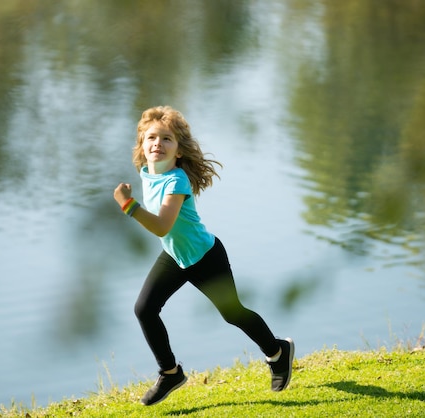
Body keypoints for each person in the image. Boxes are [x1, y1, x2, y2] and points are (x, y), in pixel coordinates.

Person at [113, 106, 294, 406]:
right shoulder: (148, 173)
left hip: (205, 256)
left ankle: (277, 352)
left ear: (179, 151)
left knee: (232, 313)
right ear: (142, 146)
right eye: (151, 138)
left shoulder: (176, 181)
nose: (157, 143)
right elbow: (165, 232)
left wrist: (128, 205)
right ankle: (170, 373)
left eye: (166, 139)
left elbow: (161, 226)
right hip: (175, 256)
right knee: (144, 309)